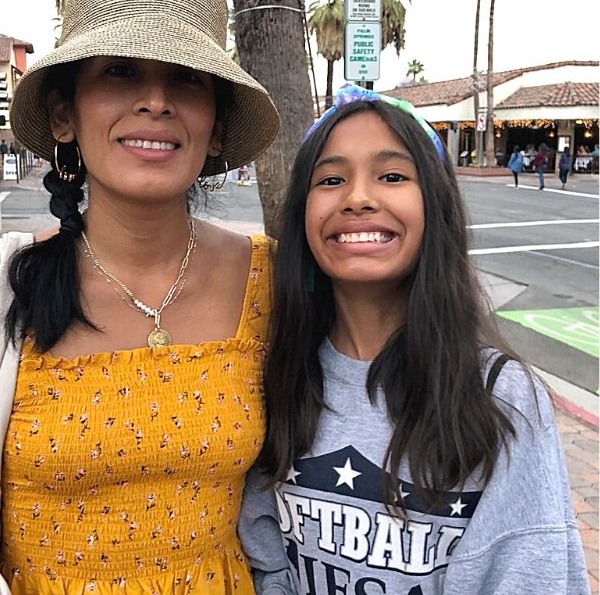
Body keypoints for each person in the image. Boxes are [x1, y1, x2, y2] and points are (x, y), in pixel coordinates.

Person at [0, 0, 280, 594]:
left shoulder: (271, 283)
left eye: (186, 79)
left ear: (215, 127)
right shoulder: (13, 285)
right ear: (65, 115)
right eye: (121, 74)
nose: (155, 101)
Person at [239, 84, 590, 595]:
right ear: (302, 214)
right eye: (331, 178)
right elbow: (267, 563)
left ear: (436, 209)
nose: (358, 198)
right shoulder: (280, 377)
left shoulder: (501, 397)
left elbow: (528, 575)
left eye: (393, 176)